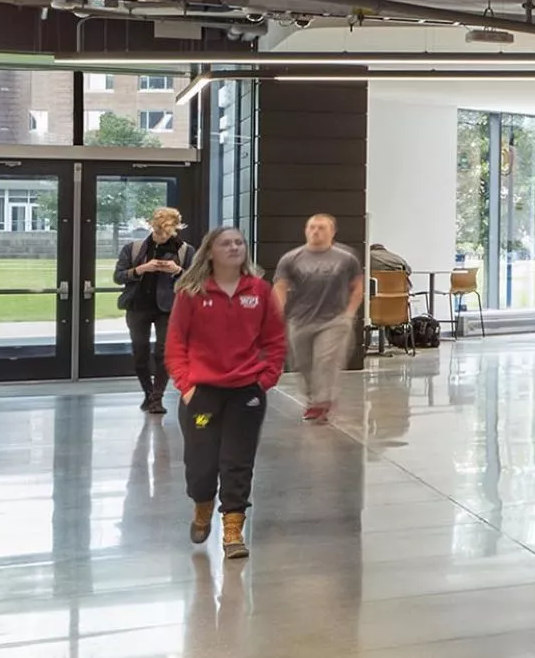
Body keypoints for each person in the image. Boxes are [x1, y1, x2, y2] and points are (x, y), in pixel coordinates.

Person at [165, 226, 285, 557]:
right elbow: (176, 344)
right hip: (202, 393)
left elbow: (274, 340)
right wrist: (187, 386)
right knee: (201, 464)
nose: (234, 247)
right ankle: (202, 506)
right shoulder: (191, 292)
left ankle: (233, 530)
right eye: (225, 243)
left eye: (239, 242)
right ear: (210, 251)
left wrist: (265, 379)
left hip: (246, 393)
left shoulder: (259, 290)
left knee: (238, 461)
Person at [273, 213, 364, 424]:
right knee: (302, 363)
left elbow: (358, 287)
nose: (316, 231)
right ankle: (314, 398)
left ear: (332, 232)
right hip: (300, 319)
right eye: (312, 227)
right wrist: (278, 313)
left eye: (322, 227)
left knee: (325, 360)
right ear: (306, 230)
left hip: (333, 320)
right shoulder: (291, 259)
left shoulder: (346, 258)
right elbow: (280, 287)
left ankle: (321, 402)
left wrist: (349, 314)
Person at [116, 205, 191, 416]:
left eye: (167, 232)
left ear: (175, 229)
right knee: (140, 353)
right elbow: (118, 276)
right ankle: (148, 394)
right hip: (138, 306)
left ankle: (157, 398)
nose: (161, 236)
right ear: (152, 226)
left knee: (163, 352)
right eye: (158, 231)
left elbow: (194, 281)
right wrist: (140, 269)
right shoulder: (134, 248)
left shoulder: (185, 250)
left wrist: (177, 271)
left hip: (168, 309)